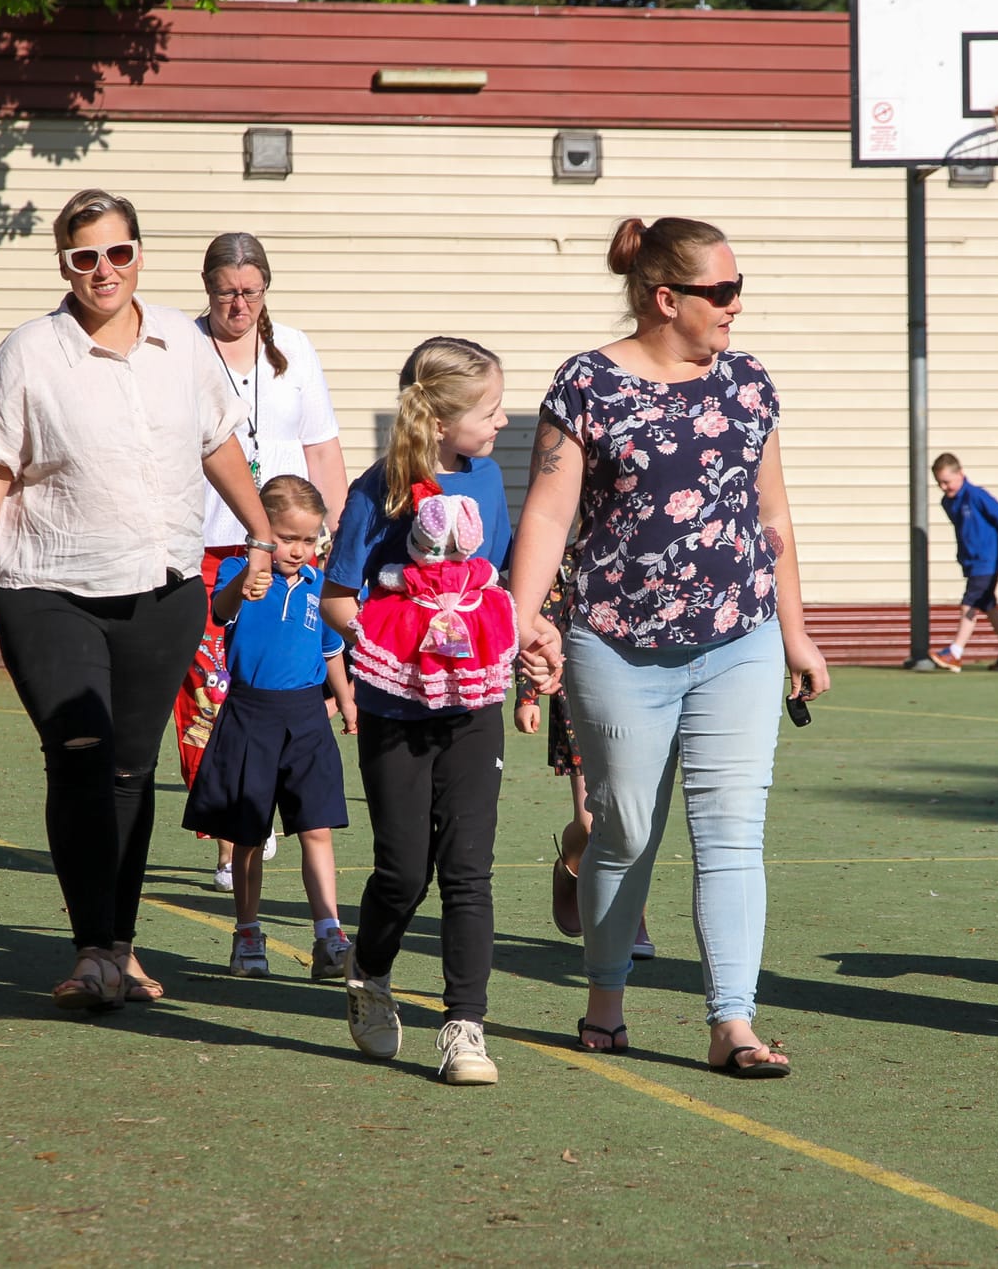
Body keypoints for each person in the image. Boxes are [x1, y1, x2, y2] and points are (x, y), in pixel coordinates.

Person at [509, 216, 829, 1078]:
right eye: (720, 292)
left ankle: (734, 1022)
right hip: (615, 643)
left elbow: (774, 517)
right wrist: (519, 618)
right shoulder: (587, 384)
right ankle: (605, 1000)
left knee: (732, 833)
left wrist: (796, 633)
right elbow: (547, 512)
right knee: (624, 829)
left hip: (741, 639)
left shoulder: (750, 383)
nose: (735, 307)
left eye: (736, 289)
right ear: (666, 298)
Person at [0, 189, 272, 1013]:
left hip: (163, 590)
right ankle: (91, 945)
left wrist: (262, 528)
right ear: (64, 264)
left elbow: (218, 445)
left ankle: (120, 947)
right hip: (50, 589)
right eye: (85, 256)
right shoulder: (29, 352)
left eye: (118, 252)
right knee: (82, 755)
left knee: (134, 769)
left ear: (138, 254)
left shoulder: (183, 348)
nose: (104, 270)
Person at [320, 337, 515, 1086]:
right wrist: (392, 641)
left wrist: (515, 636)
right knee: (403, 871)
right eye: (489, 409)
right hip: (394, 706)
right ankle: (369, 975)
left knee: (469, 868)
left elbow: (488, 581)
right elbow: (339, 596)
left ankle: (465, 1025)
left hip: (472, 704)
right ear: (438, 418)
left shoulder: (491, 481)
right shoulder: (378, 489)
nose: (500, 422)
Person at [169, 232, 348, 895]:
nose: (238, 304)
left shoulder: (293, 349)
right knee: (210, 697)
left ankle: (272, 807)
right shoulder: (183, 349)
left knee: (290, 689)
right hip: (210, 550)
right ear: (207, 288)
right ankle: (228, 837)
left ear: (265, 289)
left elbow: (322, 447)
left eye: (250, 291)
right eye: (225, 292)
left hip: (296, 554)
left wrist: (335, 540)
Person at [182, 475, 357, 980]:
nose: (298, 550)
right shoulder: (240, 571)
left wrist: (345, 702)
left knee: (317, 827)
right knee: (248, 833)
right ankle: (247, 933)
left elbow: (331, 651)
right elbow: (221, 610)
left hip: (305, 717)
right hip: (249, 715)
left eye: (308, 539)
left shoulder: (321, 586)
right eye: (286, 538)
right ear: (261, 531)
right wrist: (246, 581)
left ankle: (329, 933)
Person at [513, 540, 655, 960]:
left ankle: (631, 918)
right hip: (576, 692)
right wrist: (527, 695)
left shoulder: (644, 548)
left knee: (631, 819)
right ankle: (571, 865)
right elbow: (537, 626)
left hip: (635, 691)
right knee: (593, 822)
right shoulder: (561, 558)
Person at [929, 452, 998, 671]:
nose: (943, 487)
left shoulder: (976, 496)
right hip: (971, 561)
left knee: (969, 605)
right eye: (939, 483)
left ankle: (955, 652)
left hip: (987, 559)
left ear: (960, 474)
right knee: (988, 605)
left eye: (947, 481)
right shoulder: (948, 502)